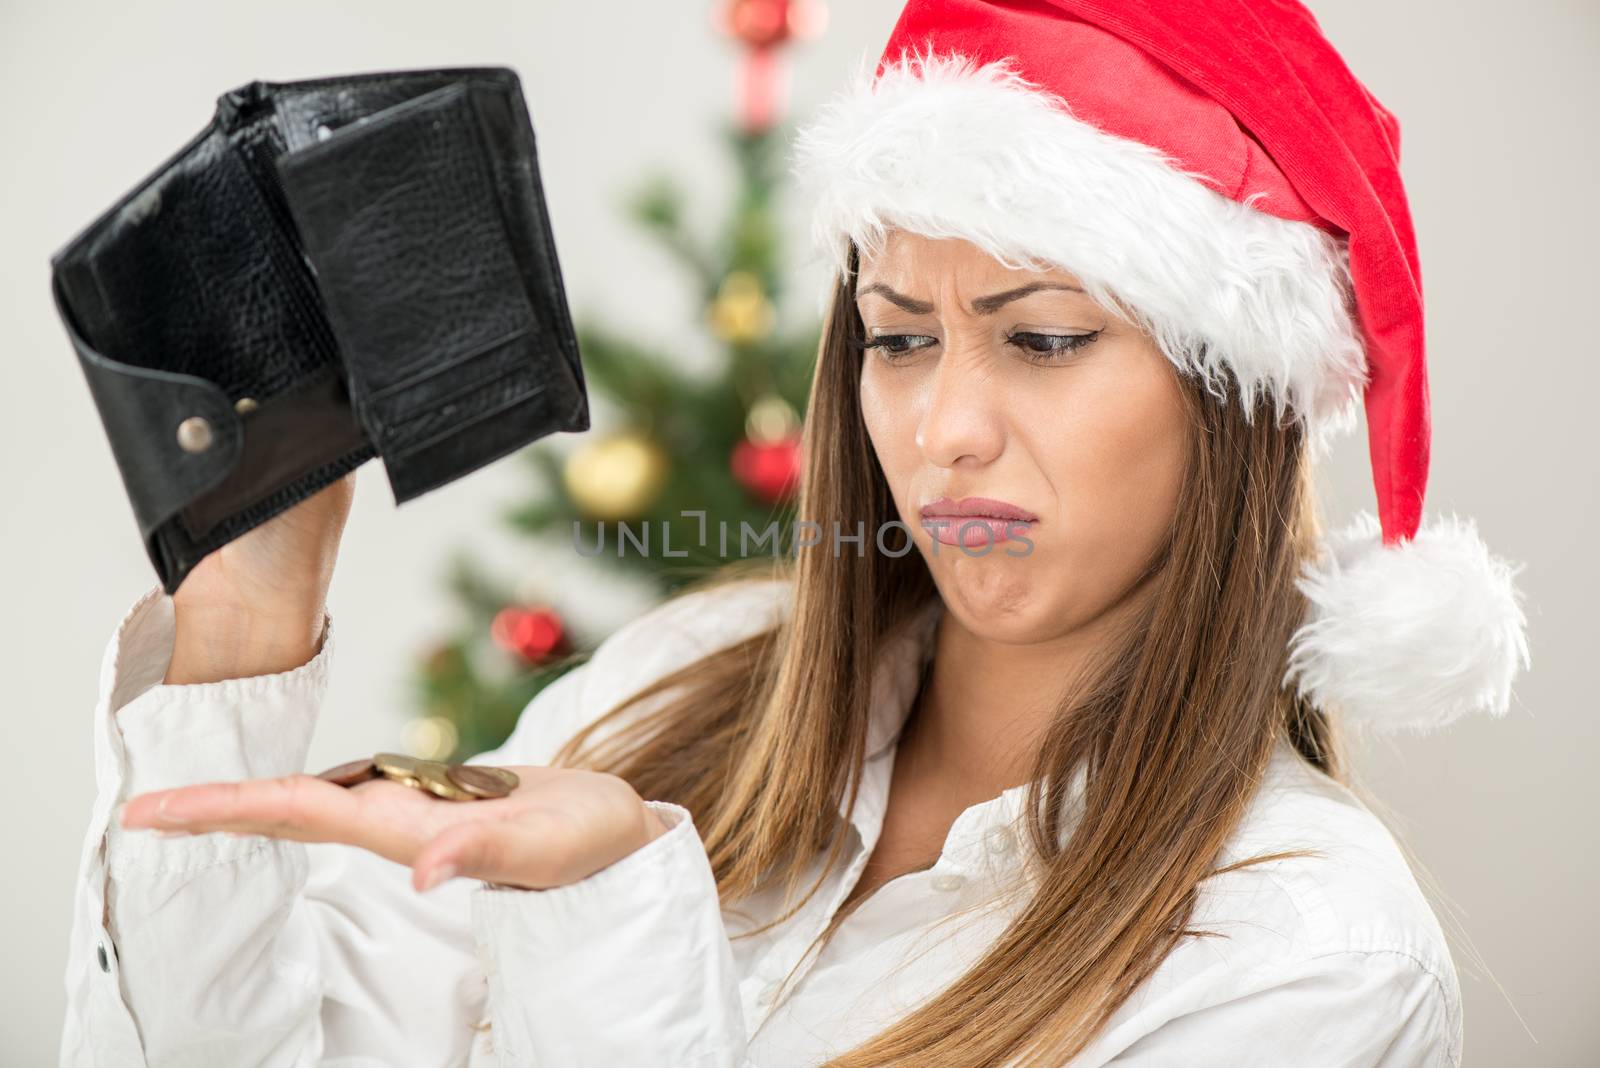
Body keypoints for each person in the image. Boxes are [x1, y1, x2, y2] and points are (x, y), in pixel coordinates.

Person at [61, 2, 1532, 1066]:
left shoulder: (1309, 958)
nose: (944, 428)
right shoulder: (686, 671)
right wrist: (253, 607)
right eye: (899, 340)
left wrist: (602, 918)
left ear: (1238, 396)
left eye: (1042, 339)